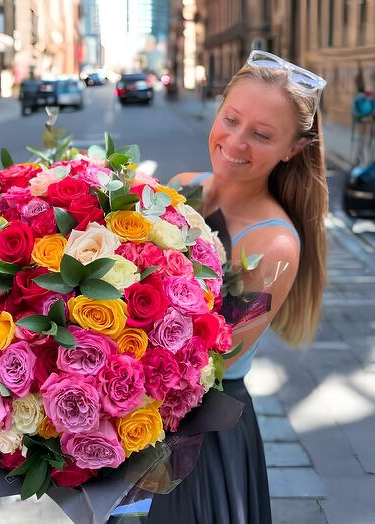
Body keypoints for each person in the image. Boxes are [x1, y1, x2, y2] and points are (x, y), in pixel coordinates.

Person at [147, 50, 329, 523]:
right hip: (136, 421)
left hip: (201, 441)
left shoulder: (274, 245)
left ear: (292, 149)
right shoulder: (182, 188)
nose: (236, 141)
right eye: (231, 119)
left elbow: (208, 363)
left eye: (262, 135)